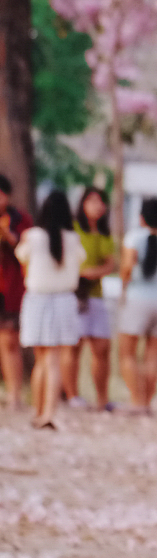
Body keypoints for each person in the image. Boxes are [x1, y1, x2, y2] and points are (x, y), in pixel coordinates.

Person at [17, 189, 82, 428]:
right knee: (53, 360)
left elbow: (22, 259)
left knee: (41, 359)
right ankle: (49, 412)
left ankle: (39, 411)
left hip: (37, 299)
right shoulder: (73, 239)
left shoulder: (32, 237)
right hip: (64, 300)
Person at [119, 196, 157, 413]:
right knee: (153, 354)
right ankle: (148, 402)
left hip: (138, 297)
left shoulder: (134, 238)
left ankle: (136, 400)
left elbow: (126, 267)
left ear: (141, 218)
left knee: (127, 353)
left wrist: (125, 285)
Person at [74, 185, 117, 410]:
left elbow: (111, 263)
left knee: (102, 347)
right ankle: (72, 395)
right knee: (73, 347)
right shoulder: (73, 230)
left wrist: (93, 272)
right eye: (92, 201)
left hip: (96, 294)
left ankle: (102, 398)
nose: (97, 206)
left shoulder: (104, 234)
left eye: (100, 202)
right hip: (75, 293)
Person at [0, 173, 34, 411]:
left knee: (10, 341)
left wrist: (7, 234)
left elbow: (24, 250)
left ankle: (14, 394)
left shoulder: (20, 219)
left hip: (10, 288)